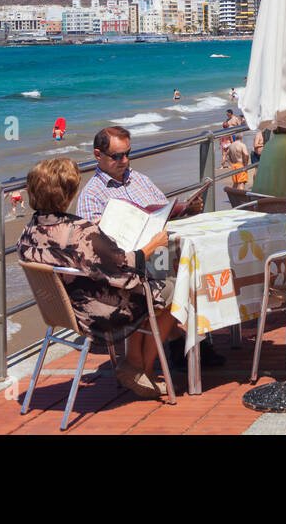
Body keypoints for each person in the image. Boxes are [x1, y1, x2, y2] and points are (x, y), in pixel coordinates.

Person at [18, 156, 177, 400]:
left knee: (146, 288)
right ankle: (139, 366)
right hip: (96, 314)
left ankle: (135, 365)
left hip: (63, 309)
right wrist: (152, 245)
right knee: (170, 289)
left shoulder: (28, 232)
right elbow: (122, 266)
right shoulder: (80, 232)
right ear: (69, 193)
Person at [79, 126, 218, 369]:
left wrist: (184, 209)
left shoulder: (140, 179)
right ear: (98, 155)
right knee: (179, 283)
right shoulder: (92, 195)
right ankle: (177, 345)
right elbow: (96, 249)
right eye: (117, 156)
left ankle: (183, 342)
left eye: (127, 154)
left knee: (199, 269)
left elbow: (162, 211)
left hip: (158, 257)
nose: (124, 161)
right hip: (128, 270)